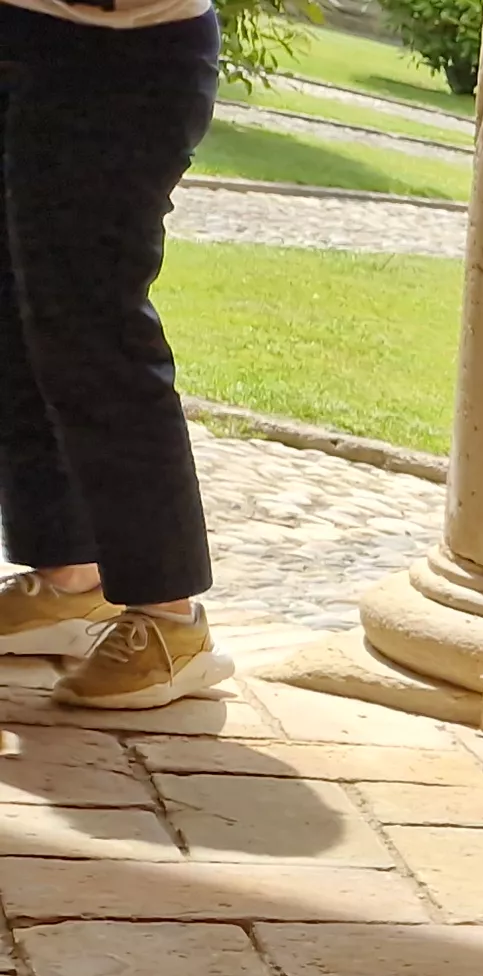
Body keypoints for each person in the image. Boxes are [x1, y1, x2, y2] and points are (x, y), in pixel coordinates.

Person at [0, 0, 232, 710]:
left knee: (93, 322)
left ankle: (172, 617)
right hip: (21, 31)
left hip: (126, 49)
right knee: (11, 313)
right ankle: (67, 576)